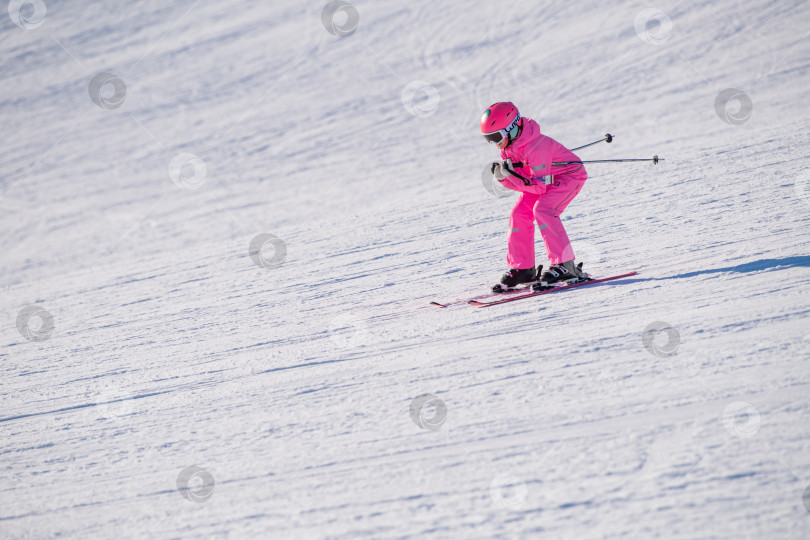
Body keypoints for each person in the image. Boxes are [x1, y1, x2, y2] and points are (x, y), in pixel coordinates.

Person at [481, 102, 588, 290]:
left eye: (496, 137)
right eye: (488, 139)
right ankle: (524, 269)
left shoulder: (537, 147)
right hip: (541, 181)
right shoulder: (508, 148)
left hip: (568, 177)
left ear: (511, 128)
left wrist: (512, 175)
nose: (494, 143)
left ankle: (565, 265)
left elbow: (538, 188)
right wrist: (503, 179)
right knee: (519, 214)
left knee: (544, 210)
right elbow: (525, 184)